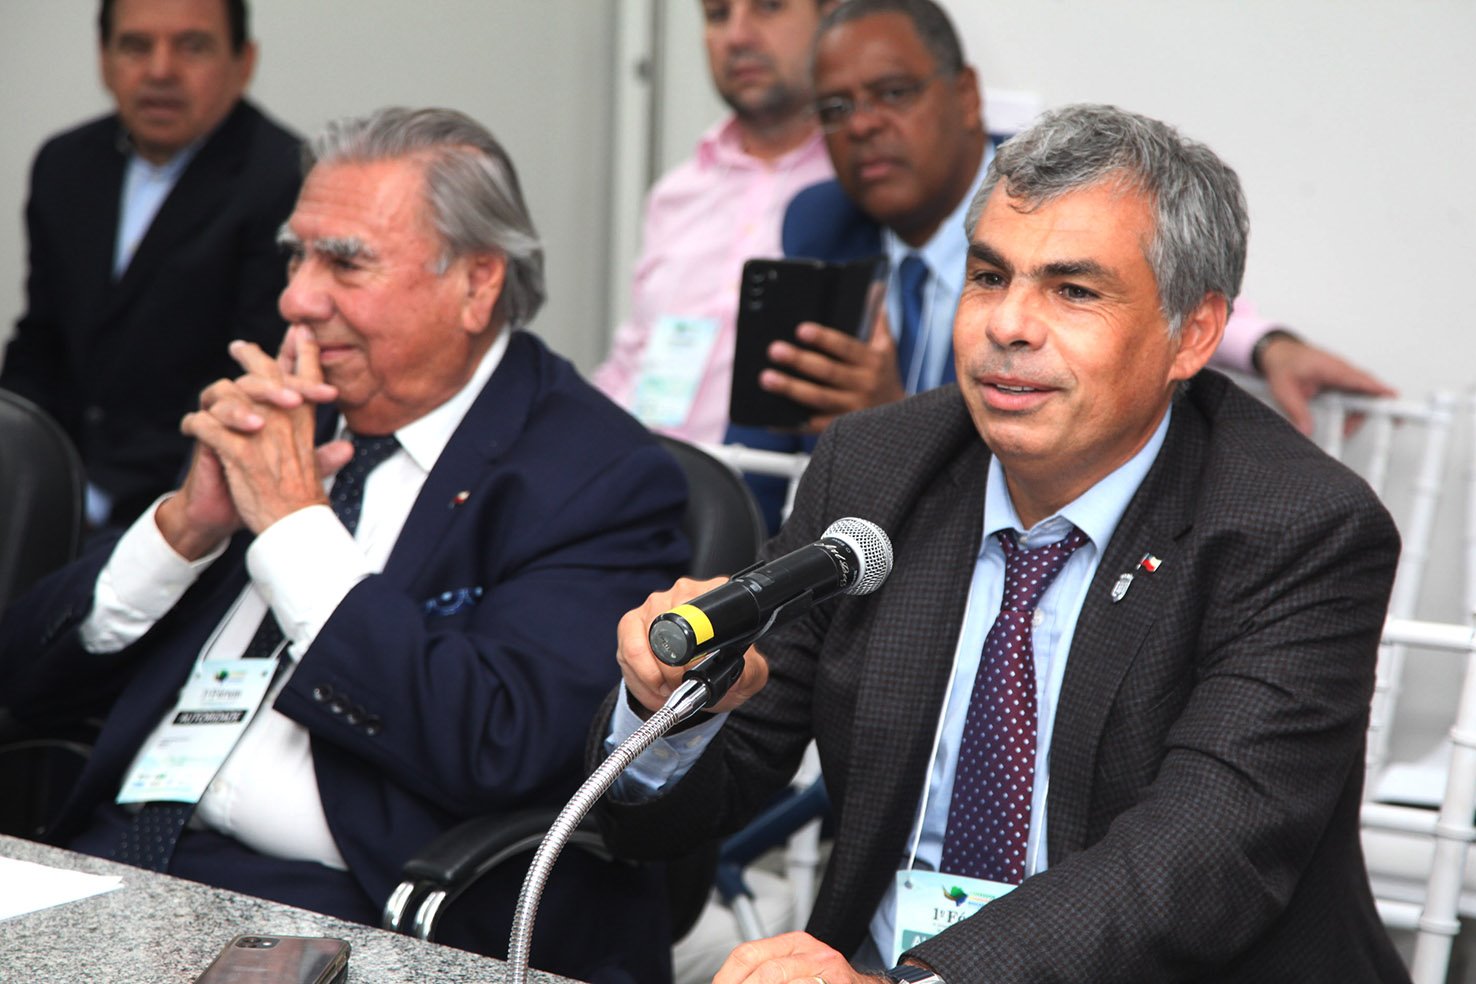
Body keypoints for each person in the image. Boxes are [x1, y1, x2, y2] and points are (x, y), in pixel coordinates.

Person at [595, 104, 1411, 982]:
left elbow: (1197, 860)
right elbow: (669, 816)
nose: (1008, 325)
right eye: (988, 277)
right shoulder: (876, 472)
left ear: (1195, 334)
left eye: (1074, 291)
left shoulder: (1299, 526)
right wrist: (670, 713)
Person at [0, 107, 689, 984]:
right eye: (297, 256)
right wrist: (184, 532)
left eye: (345, 262)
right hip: (121, 866)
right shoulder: (292, 407)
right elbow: (24, 683)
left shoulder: (597, 476)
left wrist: (294, 527)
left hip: (362, 911)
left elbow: (498, 746)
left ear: (477, 283)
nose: (296, 298)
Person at [729, 0, 1393, 525]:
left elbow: (1147, 282)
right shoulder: (821, 220)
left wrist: (1269, 344)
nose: (863, 125)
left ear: (966, 95)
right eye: (836, 108)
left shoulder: (1035, 194)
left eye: (894, 93)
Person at [0, 0, 301, 531]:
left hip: (186, 505)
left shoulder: (283, 179)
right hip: (51, 489)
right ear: (104, 59)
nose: (160, 71)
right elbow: (42, 345)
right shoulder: (65, 163)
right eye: (136, 46)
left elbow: (253, 375)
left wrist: (99, 500)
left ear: (244, 62)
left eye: (192, 47)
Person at [590, 0, 837, 443]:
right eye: (718, 14)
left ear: (831, 14)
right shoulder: (677, 193)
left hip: (769, 478)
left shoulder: (857, 190)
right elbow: (632, 361)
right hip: (638, 465)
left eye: (768, 7)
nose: (737, 37)